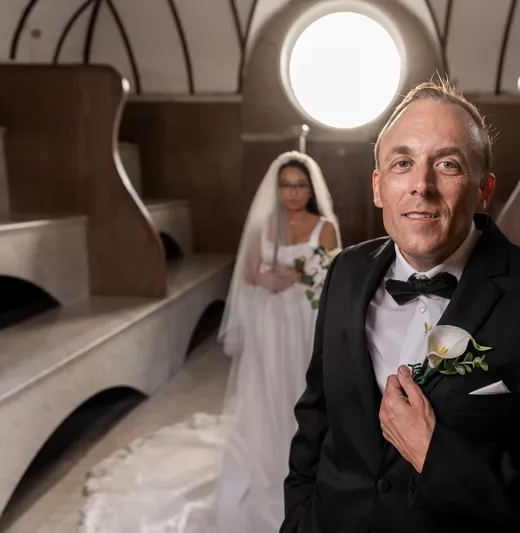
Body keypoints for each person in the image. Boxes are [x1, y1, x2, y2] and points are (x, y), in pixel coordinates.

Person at [281, 80, 520, 533]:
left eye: (447, 165)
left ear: (483, 188)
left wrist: (438, 457)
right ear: (378, 186)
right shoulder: (346, 272)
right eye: (402, 163)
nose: (421, 186)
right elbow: (316, 420)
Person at [79, 151, 341, 533]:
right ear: (277, 188)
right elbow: (249, 274)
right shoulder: (265, 225)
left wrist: (304, 277)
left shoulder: (325, 227)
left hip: (304, 317)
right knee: (270, 385)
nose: (293, 192)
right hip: (272, 319)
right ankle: (270, 456)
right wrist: (268, 278)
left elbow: (330, 276)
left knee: (304, 381)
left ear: (310, 189)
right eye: (286, 184)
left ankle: (310, 456)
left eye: (300, 185)